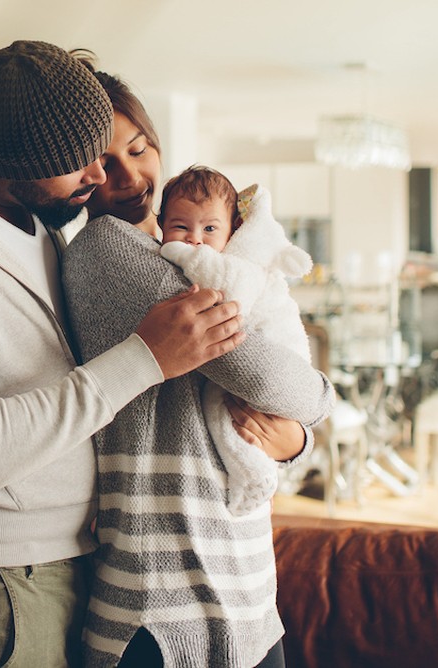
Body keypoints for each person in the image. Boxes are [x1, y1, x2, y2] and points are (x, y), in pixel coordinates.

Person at [0, 40, 250, 668]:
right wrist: (146, 357)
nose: (99, 177)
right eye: (79, 165)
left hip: (67, 559)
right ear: (9, 162)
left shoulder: (34, 218)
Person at [64, 56, 335, 667]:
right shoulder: (110, 254)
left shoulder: (173, 249)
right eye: (106, 160)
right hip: (160, 604)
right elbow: (263, 375)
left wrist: (292, 440)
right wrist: (319, 402)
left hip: (240, 588)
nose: (131, 174)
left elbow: (268, 399)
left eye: (138, 148)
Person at [156, 166, 316, 515]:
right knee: (234, 417)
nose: (195, 239)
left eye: (210, 229)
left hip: (278, 350)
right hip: (268, 365)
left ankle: (256, 474)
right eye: (180, 227)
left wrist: (180, 253)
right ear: (161, 226)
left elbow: (228, 298)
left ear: (231, 232)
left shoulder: (235, 266)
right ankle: (256, 473)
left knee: (227, 411)